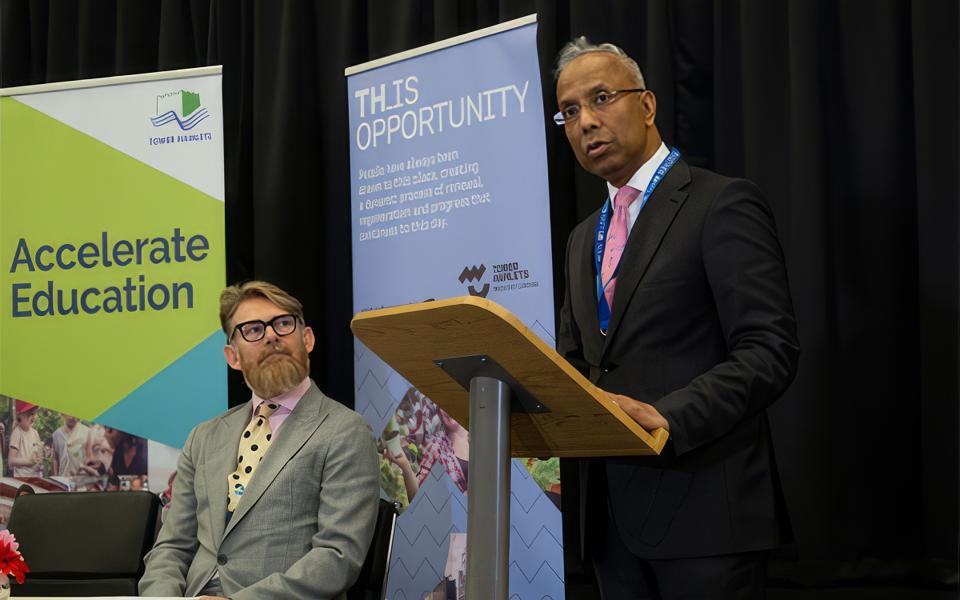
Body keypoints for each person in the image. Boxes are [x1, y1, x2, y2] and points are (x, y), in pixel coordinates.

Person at [553, 38, 800, 599]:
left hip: (706, 517)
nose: (586, 122)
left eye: (601, 98)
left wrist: (668, 417)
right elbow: (577, 363)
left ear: (647, 106)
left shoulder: (721, 204)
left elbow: (769, 350)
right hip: (609, 528)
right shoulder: (579, 239)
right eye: (569, 111)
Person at [139, 281, 379, 600]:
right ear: (233, 356)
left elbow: (336, 558)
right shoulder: (204, 437)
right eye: (252, 329)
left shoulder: (345, 431)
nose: (270, 336)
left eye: (283, 323)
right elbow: (171, 547)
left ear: (306, 339)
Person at [383, 388, 468, 502]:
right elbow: (416, 498)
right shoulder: (436, 447)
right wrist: (405, 465)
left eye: (452, 403)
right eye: (443, 406)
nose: (447, 411)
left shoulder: (486, 442)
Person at [8, 401, 44, 478]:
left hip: (36, 477)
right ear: (20, 416)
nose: (34, 417)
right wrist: (29, 461)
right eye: (31, 414)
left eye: (35, 413)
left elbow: (38, 455)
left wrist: (40, 460)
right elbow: (11, 461)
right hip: (22, 479)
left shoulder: (35, 433)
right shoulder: (17, 433)